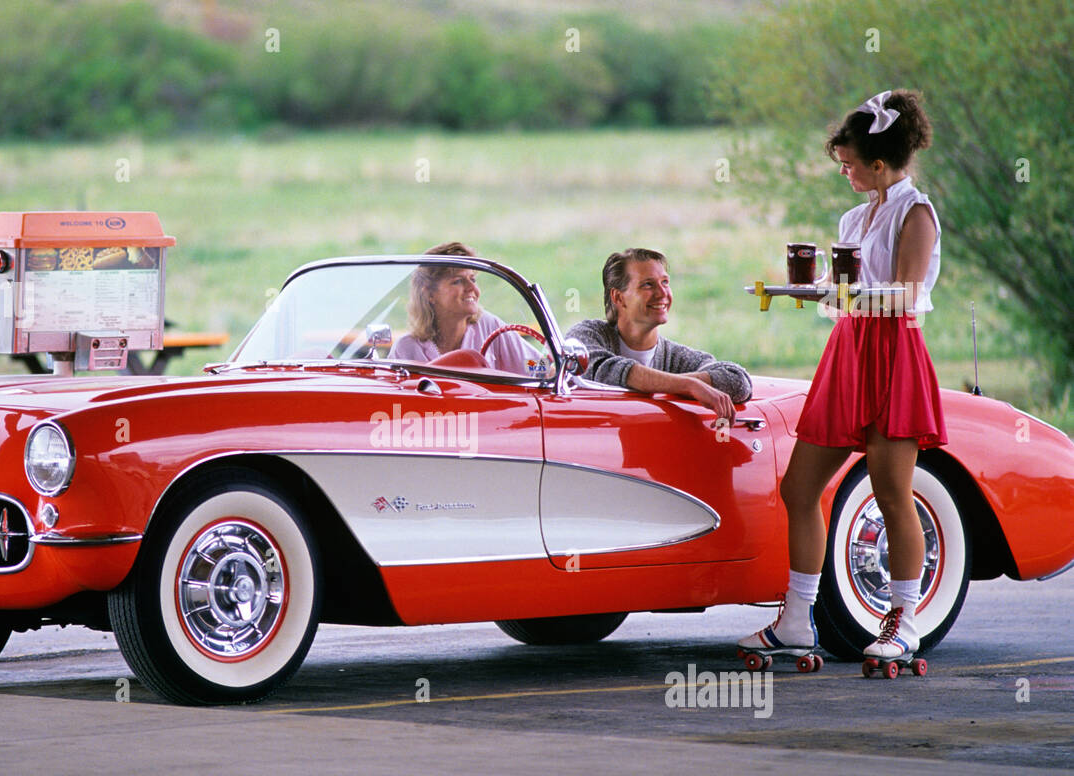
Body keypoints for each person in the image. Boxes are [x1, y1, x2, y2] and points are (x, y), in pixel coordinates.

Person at [738, 89, 946, 663]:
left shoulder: (916, 212)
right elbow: (847, 296)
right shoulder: (854, 217)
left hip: (894, 353)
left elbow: (905, 294)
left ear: (879, 163)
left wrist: (845, 294)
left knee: (891, 494)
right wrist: (819, 295)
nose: (846, 172)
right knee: (798, 489)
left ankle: (903, 621)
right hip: (850, 350)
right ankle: (797, 619)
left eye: (850, 164)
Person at [565, 248, 751, 422]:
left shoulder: (676, 357)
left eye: (665, 282)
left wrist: (676, 383)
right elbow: (599, 370)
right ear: (618, 297)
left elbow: (737, 381)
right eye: (648, 285)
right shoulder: (586, 335)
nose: (663, 293)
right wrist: (688, 386)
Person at [388, 242, 535, 375]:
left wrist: (551, 366)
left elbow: (539, 368)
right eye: (457, 281)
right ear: (429, 294)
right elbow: (394, 402)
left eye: (472, 279)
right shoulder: (405, 349)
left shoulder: (491, 328)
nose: (472, 288)